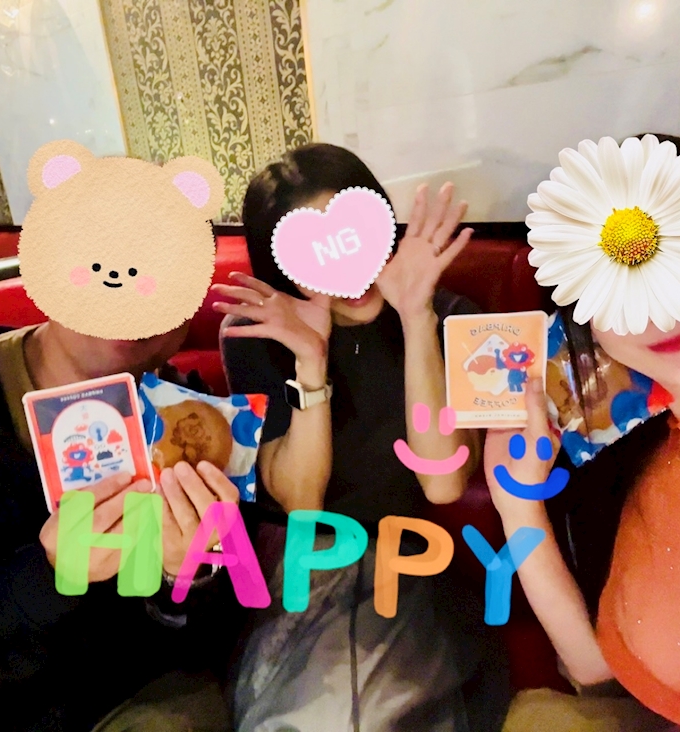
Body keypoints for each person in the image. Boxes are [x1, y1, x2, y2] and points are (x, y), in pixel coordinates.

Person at [216, 143, 511, 731]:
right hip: (301, 572)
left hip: (404, 567)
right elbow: (302, 503)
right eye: (315, 255)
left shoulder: (454, 316)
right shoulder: (258, 334)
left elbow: (444, 483)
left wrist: (417, 317)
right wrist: (311, 359)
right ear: (283, 270)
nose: (348, 271)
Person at [0, 316, 245, 732]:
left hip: (143, 701)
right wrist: (49, 575)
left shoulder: (192, 419)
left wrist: (187, 574)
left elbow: (207, 639)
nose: (128, 302)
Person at [486, 134, 680, 732]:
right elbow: (594, 666)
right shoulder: (635, 452)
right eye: (619, 278)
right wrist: (517, 501)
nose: (663, 309)